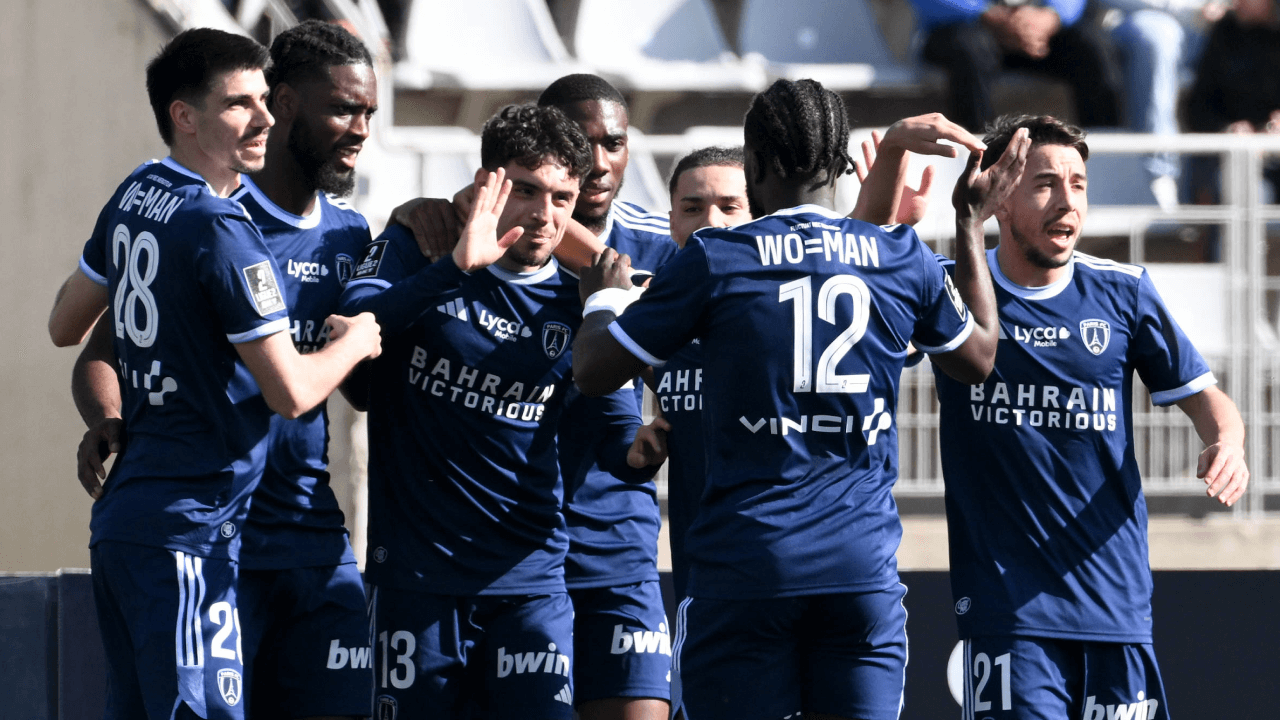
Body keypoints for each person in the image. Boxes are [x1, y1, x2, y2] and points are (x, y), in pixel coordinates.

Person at [571, 77, 1029, 720]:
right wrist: (970, 221)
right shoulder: (898, 254)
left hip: (745, 570)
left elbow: (594, 370)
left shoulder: (716, 256)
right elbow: (978, 359)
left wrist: (604, 297)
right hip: (860, 573)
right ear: (839, 165)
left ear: (753, 166)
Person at [50, 27, 381, 720]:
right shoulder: (220, 224)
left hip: (252, 529)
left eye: (263, 102)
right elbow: (290, 391)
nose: (264, 119)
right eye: (241, 104)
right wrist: (357, 342)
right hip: (201, 528)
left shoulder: (143, 191)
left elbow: (62, 322)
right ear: (187, 115)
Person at [930, 114, 1249, 719]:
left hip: (1116, 607)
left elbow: (1211, 404)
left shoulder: (1123, 292)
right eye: (1045, 183)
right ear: (999, 198)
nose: (1068, 201)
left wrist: (1227, 443)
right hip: (1008, 612)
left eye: (1078, 184)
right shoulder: (951, 290)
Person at [340, 103, 649, 719]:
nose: (544, 214)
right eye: (526, 190)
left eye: (561, 198)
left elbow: (618, 436)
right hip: (415, 581)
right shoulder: (418, 246)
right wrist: (453, 268)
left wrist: (655, 443)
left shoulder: (579, 299)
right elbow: (352, 340)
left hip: (529, 583)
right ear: (487, 183)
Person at [908, 0, 1123, 133]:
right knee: (970, 51)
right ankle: (978, 157)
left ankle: (1105, 157)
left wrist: (1051, 16)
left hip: (1039, 32)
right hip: (964, 28)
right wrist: (985, 13)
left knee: (1093, 49)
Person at [1185, 0, 1280, 205]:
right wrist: (1227, 129)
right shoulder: (1224, 33)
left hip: (1275, 151)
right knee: (1239, 182)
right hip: (1232, 152)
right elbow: (1198, 107)